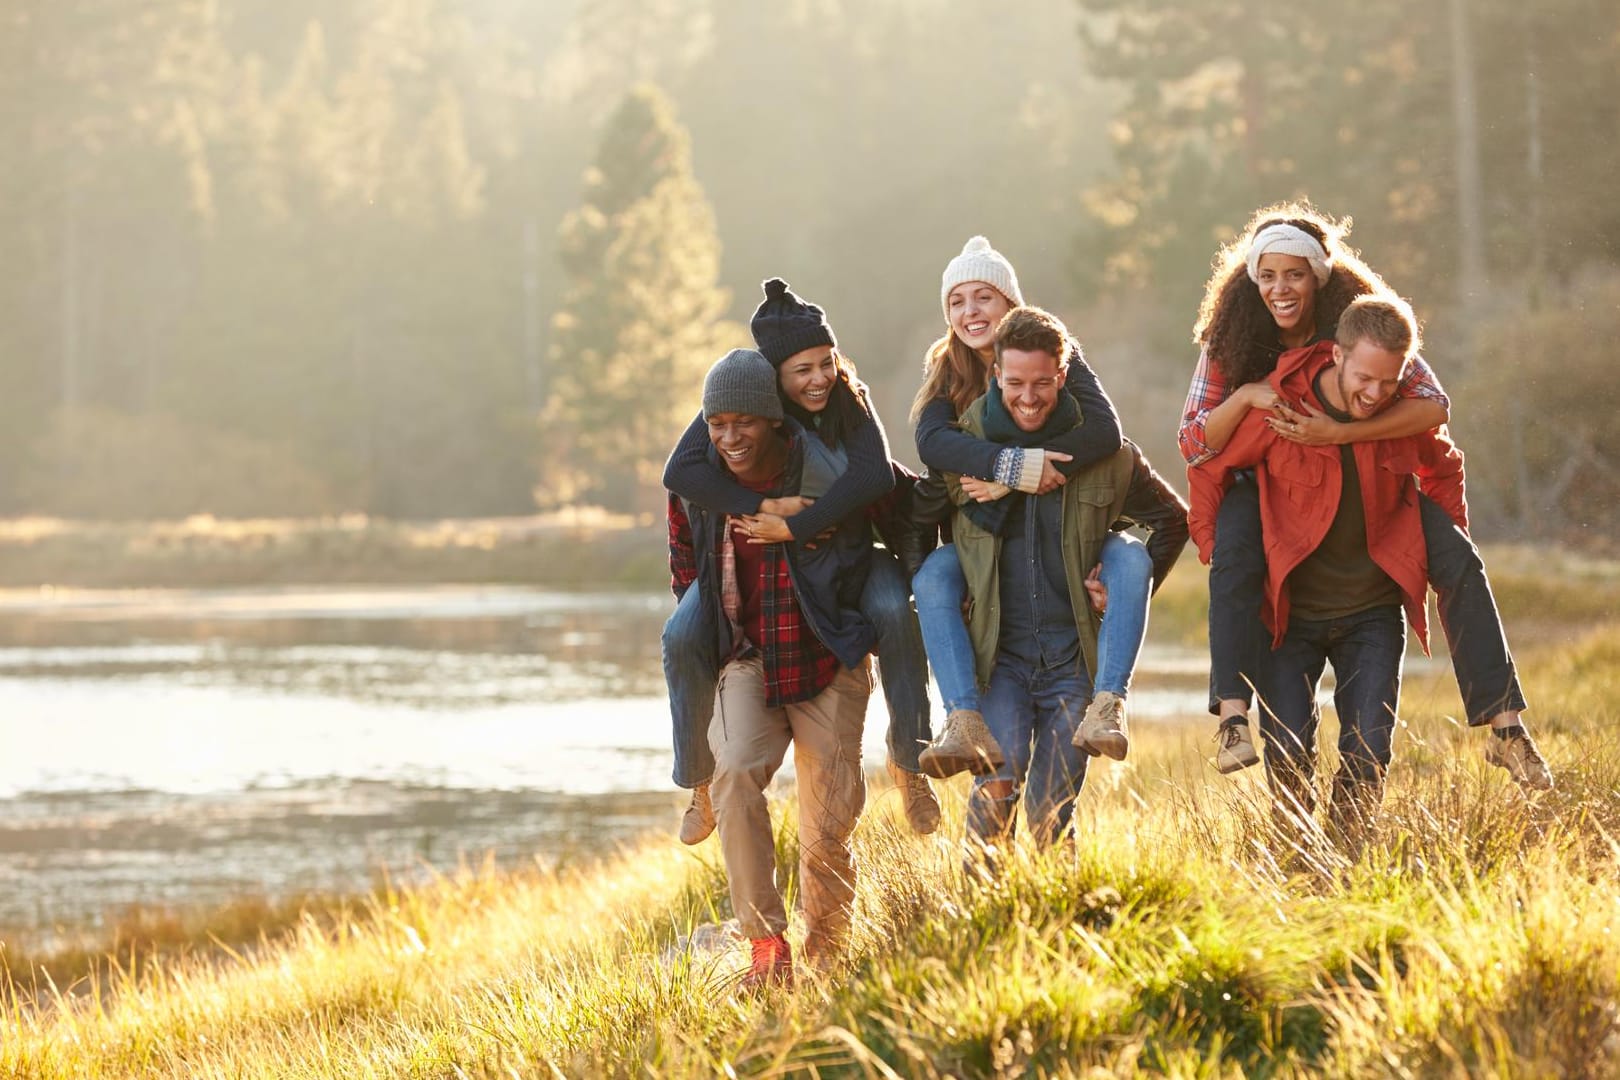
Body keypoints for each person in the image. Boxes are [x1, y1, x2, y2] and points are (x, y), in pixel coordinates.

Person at [1182, 203, 1552, 790]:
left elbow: (1433, 404)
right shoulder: (1232, 339)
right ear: (1252, 279)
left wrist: (1340, 432)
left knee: (1457, 558)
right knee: (1234, 556)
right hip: (1271, 481)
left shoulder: (1361, 329)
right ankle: (1231, 713)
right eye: (1269, 276)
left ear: (1319, 277)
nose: (1282, 289)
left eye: (1296, 275)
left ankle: (1506, 726)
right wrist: (1250, 395)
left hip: (1369, 474)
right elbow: (1195, 440)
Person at [663, 279, 941, 842]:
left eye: (826, 363)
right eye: (803, 369)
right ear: (774, 377)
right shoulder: (748, 405)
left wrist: (798, 522)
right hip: (777, 567)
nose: (819, 379)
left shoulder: (848, 398)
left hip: (860, 553)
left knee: (893, 611)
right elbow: (681, 473)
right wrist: (762, 505)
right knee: (679, 636)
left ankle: (911, 762)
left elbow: (873, 475)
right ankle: (697, 781)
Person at [1187, 297, 1465, 847]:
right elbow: (1206, 465)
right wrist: (1217, 548)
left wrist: (1448, 545)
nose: (1374, 394)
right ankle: (1297, 866)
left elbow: (1443, 462)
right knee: (1289, 756)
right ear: (1336, 355)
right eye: (1364, 377)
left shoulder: (1398, 416)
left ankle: (1346, 857)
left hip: (1372, 615)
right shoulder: (1282, 414)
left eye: (1388, 383)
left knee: (1369, 750)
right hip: (1289, 618)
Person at [941, 306, 1187, 854]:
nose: (1029, 397)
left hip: (1072, 665)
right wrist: (952, 593)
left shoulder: (1109, 457)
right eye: (1015, 384)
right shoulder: (966, 447)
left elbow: (1175, 522)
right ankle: (979, 925)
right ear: (996, 376)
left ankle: (1062, 927)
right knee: (995, 789)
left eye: (1042, 383)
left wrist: (1120, 598)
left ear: (1063, 373)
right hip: (1000, 663)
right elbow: (923, 528)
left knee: (1050, 811)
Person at [667, 348, 876, 987]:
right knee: (732, 773)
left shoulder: (821, 468)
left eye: (744, 423)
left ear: (773, 420)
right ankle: (767, 950)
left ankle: (828, 953)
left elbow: (883, 516)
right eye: (716, 423)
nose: (729, 438)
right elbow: (683, 566)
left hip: (827, 658)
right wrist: (722, 636)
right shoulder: (699, 482)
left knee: (827, 821)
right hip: (749, 659)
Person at [908, 236, 1139, 777]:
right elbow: (933, 444)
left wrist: (1023, 475)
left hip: (1056, 535)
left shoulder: (1053, 351)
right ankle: (960, 717)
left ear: (1010, 303)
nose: (970, 312)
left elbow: (1106, 433)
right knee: (934, 577)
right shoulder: (947, 369)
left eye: (983, 297)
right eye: (957, 301)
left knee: (1129, 556)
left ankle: (1108, 703)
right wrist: (1010, 468)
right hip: (979, 536)